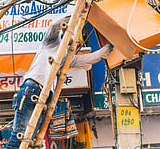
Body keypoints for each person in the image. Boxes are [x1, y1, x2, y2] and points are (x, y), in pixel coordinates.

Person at [6, 16, 113, 149]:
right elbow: (54, 25)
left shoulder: (66, 59)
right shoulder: (51, 43)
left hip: (43, 97)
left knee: (28, 137)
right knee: (20, 136)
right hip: (32, 89)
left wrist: (110, 46)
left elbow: (90, 58)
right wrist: (76, 16)